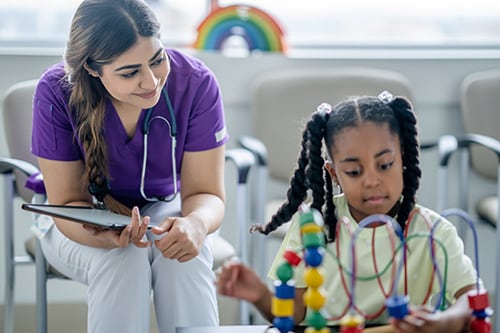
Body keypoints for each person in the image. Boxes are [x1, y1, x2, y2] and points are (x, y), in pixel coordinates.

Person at [30, 0, 228, 332]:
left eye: (157, 59)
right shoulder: (55, 91)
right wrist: (105, 236)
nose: (151, 81)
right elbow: (66, 202)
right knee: (122, 260)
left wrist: (195, 224)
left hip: (162, 206)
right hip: (74, 218)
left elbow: (206, 193)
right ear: (93, 68)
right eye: (130, 72)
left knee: (183, 258)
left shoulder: (195, 83)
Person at [216, 92, 485, 333]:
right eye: (354, 172)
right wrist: (260, 295)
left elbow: (470, 294)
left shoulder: (434, 231)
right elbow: (292, 315)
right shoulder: (311, 229)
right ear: (334, 174)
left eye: (385, 165)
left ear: (403, 159)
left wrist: (450, 320)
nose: (371, 181)